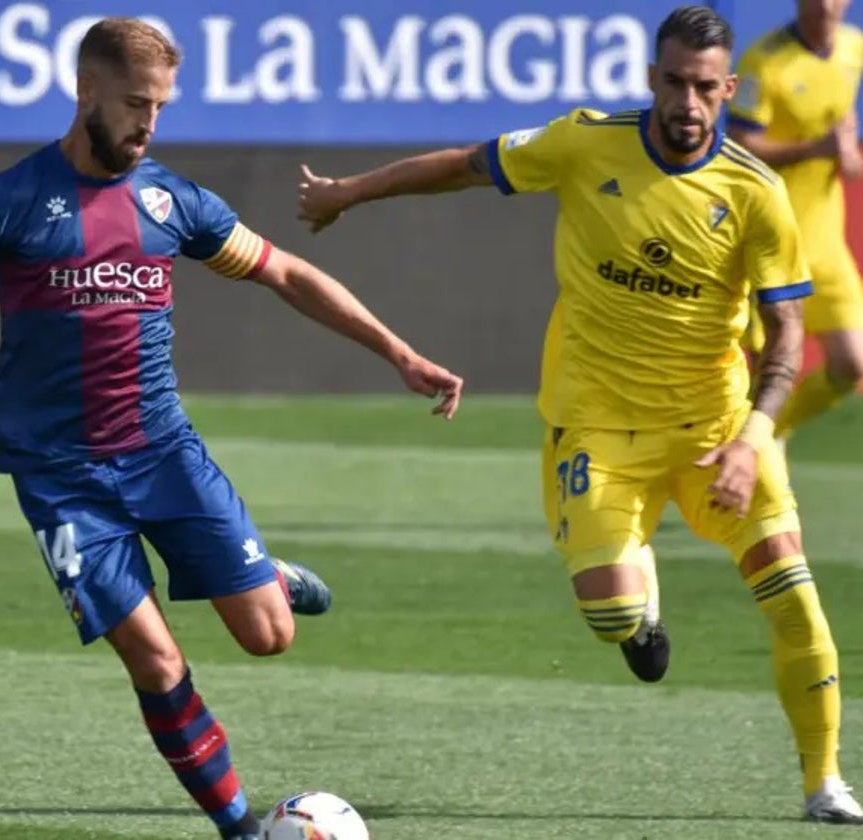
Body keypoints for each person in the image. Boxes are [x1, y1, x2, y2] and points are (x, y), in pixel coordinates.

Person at [0, 17, 462, 840]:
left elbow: (285, 272)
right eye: (136, 104)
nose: (149, 124)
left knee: (269, 638)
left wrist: (398, 353)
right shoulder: (11, 198)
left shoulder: (170, 200)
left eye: (161, 107)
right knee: (155, 660)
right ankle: (241, 830)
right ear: (86, 93)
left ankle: (266, 577)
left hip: (162, 452)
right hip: (61, 477)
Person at [295, 5, 862, 824]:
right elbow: (464, 164)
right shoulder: (585, 141)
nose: (688, 102)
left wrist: (755, 437)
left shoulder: (754, 192)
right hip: (597, 427)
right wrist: (350, 193)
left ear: (728, 88)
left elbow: (786, 340)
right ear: (651, 79)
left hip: (716, 433)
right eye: (674, 82)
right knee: (611, 616)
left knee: (793, 594)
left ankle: (824, 782)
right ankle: (641, 610)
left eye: (705, 87)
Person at [729, 0, 863, 450]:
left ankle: (773, 429)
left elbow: (841, 120)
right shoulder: (763, 63)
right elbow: (740, 143)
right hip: (773, 241)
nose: (824, 6)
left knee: (853, 365)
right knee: (764, 370)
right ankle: (749, 453)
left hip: (826, 243)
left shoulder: (853, 49)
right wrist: (812, 149)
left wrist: (847, 153)